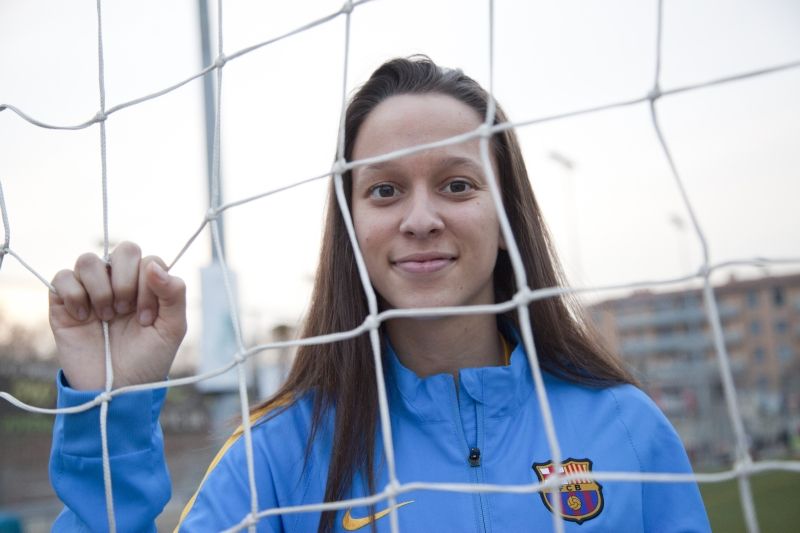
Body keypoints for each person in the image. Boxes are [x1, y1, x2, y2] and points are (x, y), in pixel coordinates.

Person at [49, 56, 711, 532]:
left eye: (457, 184)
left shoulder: (626, 426)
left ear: (509, 218)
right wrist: (113, 414)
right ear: (352, 228)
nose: (420, 218)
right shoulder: (277, 458)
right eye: (385, 190)